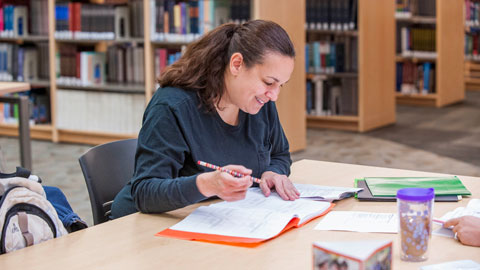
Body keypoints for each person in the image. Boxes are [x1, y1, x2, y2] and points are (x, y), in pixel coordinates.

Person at [111, 20, 300, 218]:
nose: (274, 95)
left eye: (281, 85)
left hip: (216, 220)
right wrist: (206, 184)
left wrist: (273, 172)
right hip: (147, 224)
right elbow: (145, 192)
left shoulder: (260, 103)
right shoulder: (172, 106)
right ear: (237, 64)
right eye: (269, 82)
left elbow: (280, 154)